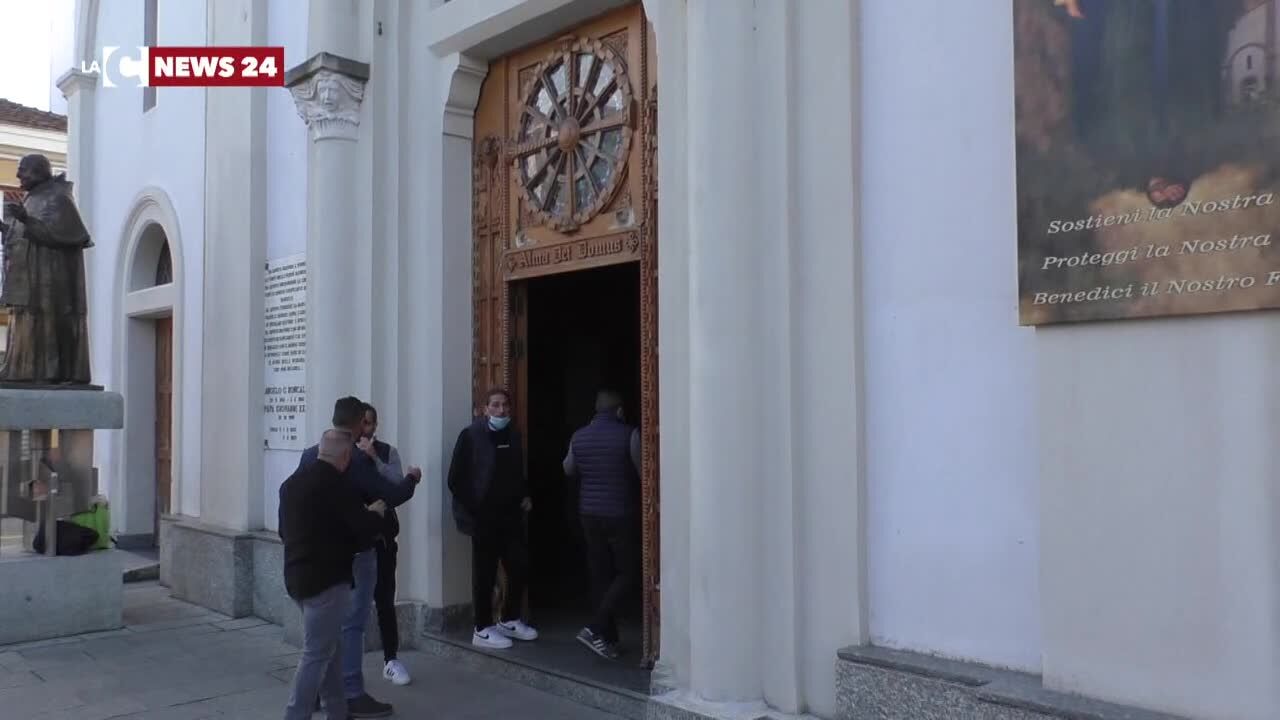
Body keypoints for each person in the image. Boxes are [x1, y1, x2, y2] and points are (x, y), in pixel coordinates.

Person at [298, 397, 421, 718]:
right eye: (363, 423)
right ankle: (350, 692)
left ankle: (317, 694)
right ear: (356, 424)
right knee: (351, 626)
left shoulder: (311, 455)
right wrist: (411, 479)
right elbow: (393, 494)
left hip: (315, 557)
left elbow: (294, 503)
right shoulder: (354, 458)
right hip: (356, 552)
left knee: (322, 633)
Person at [279, 429, 387, 720]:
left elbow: (283, 531)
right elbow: (361, 531)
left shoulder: (291, 484)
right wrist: (375, 513)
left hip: (297, 577)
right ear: (345, 456)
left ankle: (337, 711)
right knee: (315, 654)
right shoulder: (339, 487)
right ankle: (295, 715)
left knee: (331, 647)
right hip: (327, 582)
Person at [447, 387, 539, 649]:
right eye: (495, 405)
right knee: (484, 573)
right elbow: (455, 479)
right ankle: (482, 627)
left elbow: (516, 472)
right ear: (485, 409)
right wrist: (477, 508)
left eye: (505, 406)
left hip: (510, 515)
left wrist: (525, 494)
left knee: (519, 564)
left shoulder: (514, 434)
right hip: (483, 517)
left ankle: (509, 619)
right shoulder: (471, 435)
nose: (501, 410)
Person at [0, 153, 92, 384]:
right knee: (26, 319)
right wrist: (5, 227)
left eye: (23, 169)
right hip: (30, 278)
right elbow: (22, 236)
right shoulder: (32, 198)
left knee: (48, 320)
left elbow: (62, 234)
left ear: (40, 171)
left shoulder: (58, 198)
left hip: (51, 280)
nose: (18, 174)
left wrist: (26, 220)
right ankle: (24, 370)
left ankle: (52, 371)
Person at [562, 390, 641, 659]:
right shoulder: (629, 434)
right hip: (620, 513)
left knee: (600, 576)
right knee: (629, 573)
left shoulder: (579, 436)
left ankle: (606, 639)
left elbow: (569, 469)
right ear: (619, 411)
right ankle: (595, 628)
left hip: (589, 514)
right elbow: (644, 471)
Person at [357, 403, 411, 686]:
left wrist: (375, 458)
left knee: (385, 600)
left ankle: (391, 659)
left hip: (384, 539)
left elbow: (396, 485)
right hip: (355, 542)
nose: (367, 428)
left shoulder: (387, 451)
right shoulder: (345, 454)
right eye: (363, 423)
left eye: (371, 423)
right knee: (350, 609)